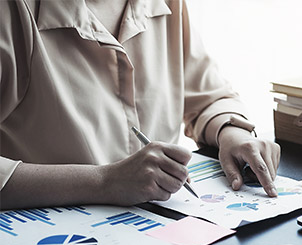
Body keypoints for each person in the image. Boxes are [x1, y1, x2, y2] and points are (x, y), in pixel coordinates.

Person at [0, 0, 280, 210]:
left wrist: (232, 132)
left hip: (163, 235)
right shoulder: (10, 12)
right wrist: (102, 181)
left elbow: (208, 96)